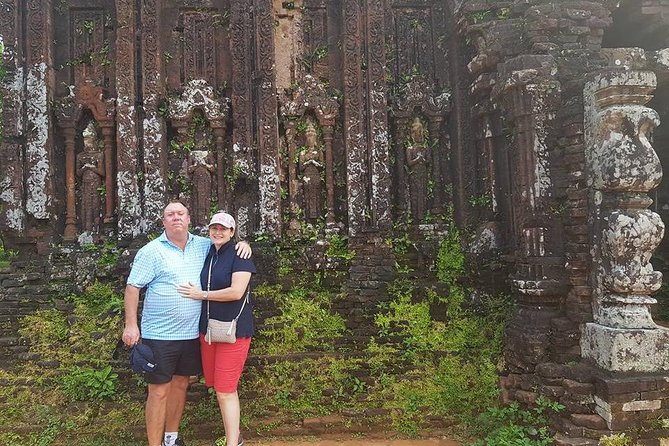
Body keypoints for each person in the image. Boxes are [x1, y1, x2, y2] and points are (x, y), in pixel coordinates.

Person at [122, 201, 251, 446]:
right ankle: (154, 443)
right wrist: (131, 325)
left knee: (181, 384)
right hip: (159, 334)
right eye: (170, 214)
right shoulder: (151, 251)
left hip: (191, 334)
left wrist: (244, 244)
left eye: (181, 213)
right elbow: (132, 287)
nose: (176, 218)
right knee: (158, 391)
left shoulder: (203, 246)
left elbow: (227, 248)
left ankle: (171, 438)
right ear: (163, 221)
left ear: (189, 219)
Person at [177, 212, 255, 446]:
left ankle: (234, 442)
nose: (218, 232)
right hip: (209, 330)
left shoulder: (239, 255)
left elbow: (236, 292)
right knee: (213, 384)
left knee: (225, 389)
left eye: (224, 229)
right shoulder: (207, 251)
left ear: (232, 232)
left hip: (234, 331)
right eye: (214, 228)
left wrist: (202, 295)